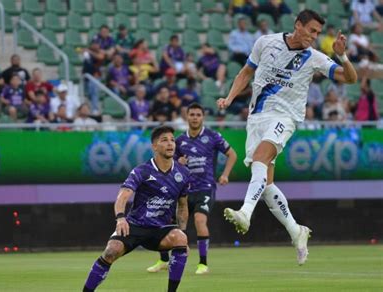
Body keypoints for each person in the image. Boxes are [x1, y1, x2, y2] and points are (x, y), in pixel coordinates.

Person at [217, 9, 357, 265]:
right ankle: (296, 231)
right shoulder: (265, 42)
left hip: (285, 118)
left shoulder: (314, 58)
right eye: (311, 30)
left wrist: (342, 55)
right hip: (256, 118)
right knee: (266, 184)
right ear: (298, 25)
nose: (314, 37)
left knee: (261, 159)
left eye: (317, 33)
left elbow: (350, 78)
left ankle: (245, 213)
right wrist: (229, 97)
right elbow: (245, 73)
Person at [83, 125, 190, 292]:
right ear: (154, 146)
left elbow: (183, 206)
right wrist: (120, 217)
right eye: (164, 140)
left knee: (180, 239)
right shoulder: (142, 171)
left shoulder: (183, 173)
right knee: (111, 251)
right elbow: (123, 196)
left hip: (160, 230)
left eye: (172, 140)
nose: (170, 144)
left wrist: (183, 232)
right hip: (135, 225)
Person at [147, 103, 237, 275]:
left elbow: (232, 154)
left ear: (203, 117)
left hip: (205, 187)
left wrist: (225, 174)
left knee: (199, 220)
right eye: (192, 114)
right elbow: (168, 163)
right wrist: (178, 163)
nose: (195, 117)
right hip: (184, 189)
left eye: (198, 115)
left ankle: (203, 264)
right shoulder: (179, 141)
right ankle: (164, 260)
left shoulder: (212, 136)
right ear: (186, 117)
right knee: (166, 221)